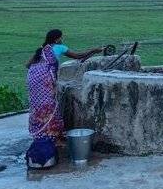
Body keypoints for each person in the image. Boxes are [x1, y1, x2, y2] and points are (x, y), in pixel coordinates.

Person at [25, 29, 104, 169]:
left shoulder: (42, 49)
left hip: (33, 82)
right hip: (45, 82)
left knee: (38, 107)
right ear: (56, 39)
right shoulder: (59, 47)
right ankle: (53, 137)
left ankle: (40, 135)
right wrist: (95, 50)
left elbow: (28, 65)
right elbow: (78, 56)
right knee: (50, 107)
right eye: (61, 37)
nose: (62, 39)